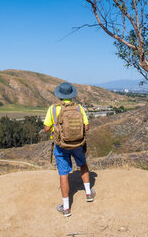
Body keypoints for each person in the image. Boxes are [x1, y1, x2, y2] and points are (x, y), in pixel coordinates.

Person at [44, 82, 95, 217]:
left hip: (61, 145)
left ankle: (66, 208)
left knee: (63, 173)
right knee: (83, 165)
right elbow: (87, 127)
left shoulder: (53, 109)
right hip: (78, 144)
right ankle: (89, 194)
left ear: (59, 95)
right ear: (72, 95)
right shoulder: (78, 108)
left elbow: (46, 128)